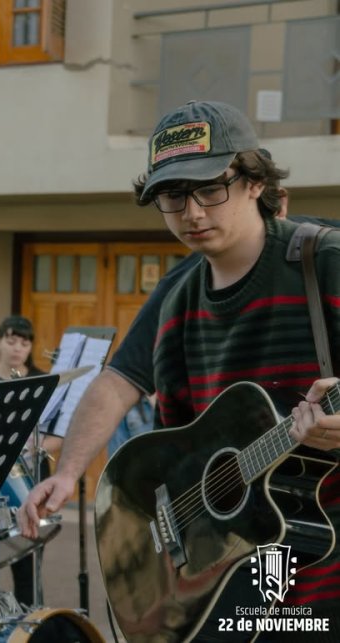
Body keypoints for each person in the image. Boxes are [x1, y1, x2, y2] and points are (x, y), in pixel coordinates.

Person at [19, 101, 340, 639]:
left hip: (318, 537)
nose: (192, 212)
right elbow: (118, 381)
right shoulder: (176, 292)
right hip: (221, 544)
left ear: (255, 182)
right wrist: (69, 472)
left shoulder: (324, 262)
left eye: (211, 188)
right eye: (172, 196)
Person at [0, 315, 60, 608]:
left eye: (24, 343)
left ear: (30, 348)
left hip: (26, 483)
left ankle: (27, 627)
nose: (17, 348)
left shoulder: (42, 381)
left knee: (26, 566)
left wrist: (33, 446)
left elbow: (58, 435)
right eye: (11, 341)